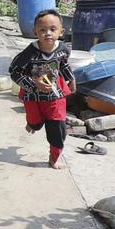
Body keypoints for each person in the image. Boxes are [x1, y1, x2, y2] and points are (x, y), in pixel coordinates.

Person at [9, 9, 75, 169]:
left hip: (55, 94)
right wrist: (34, 83)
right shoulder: (29, 53)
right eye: (42, 30)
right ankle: (32, 123)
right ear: (35, 32)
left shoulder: (63, 49)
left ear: (61, 31)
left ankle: (54, 158)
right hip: (33, 96)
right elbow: (14, 71)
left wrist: (70, 78)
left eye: (53, 29)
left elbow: (64, 64)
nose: (47, 34)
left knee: (57, 127)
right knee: (36, 123)